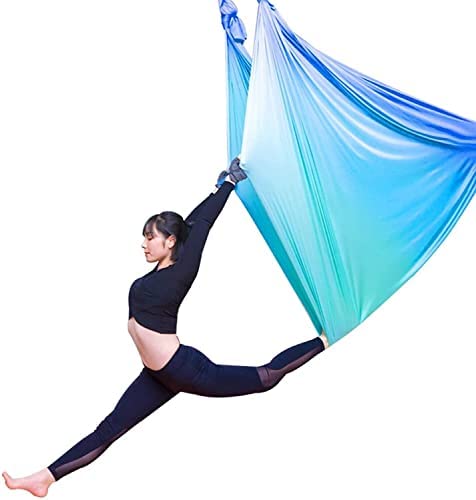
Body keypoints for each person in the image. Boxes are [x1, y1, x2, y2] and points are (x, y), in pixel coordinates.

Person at [2, 157, 328, 497]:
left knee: (265, 378)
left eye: (150, 237)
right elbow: (190, 223)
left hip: (185, 369)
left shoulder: (181, 271)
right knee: (108, 429)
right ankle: (45, 478)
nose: (144, 244)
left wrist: (229, 186)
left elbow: (201, 225)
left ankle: (323, 340)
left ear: (169, 241)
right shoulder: (159, 272)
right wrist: (218, 186)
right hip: (157, 375)